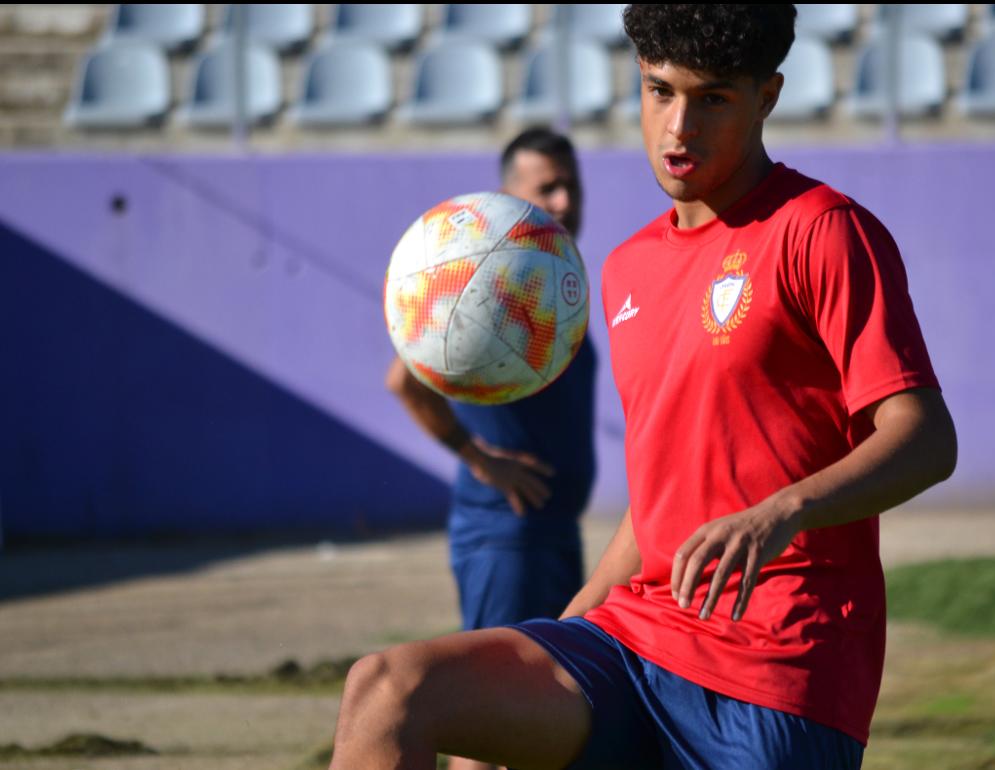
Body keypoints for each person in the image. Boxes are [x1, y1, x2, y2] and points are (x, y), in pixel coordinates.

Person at [338, 6, 957, 769]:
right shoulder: (624, 269)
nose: (678, 127)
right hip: (635, 640)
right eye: (660, 91)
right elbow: (662, 495)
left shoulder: (822, 231)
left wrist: (783, 511)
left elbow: (926, 438)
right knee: (388, 691)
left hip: (776, 666)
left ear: (766, 97)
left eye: (712, 99)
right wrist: (569, 626)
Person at [384, 128, 597, 770]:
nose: (563, 202)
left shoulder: (550, 282)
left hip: (552, 532)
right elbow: (403, 381)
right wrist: (480, 457)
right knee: (487, 717)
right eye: (547, 188)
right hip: (507, 536)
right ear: (509, 198)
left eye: (571, 186)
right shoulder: (485, 284)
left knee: (537, 712)